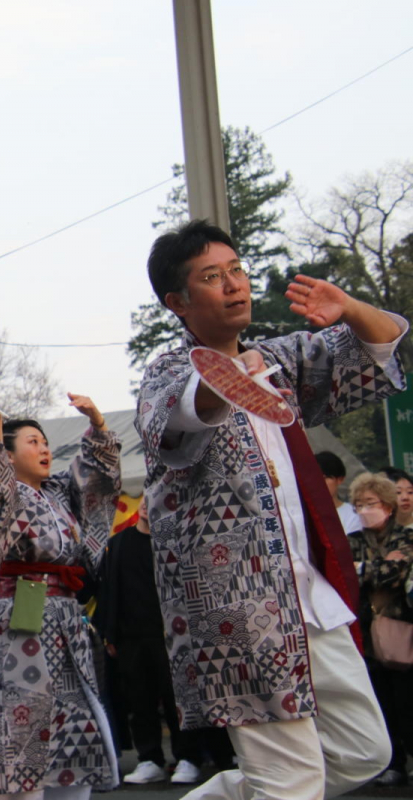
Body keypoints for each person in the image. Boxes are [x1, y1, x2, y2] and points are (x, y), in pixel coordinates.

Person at [135, 219, 404, 799]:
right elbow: (180, 417)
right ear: (177, 302)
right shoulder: (167, 372)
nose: (235, 284)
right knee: (293, 781)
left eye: (237, 270)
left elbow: (382, 348)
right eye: (213, 277)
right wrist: (226, 379)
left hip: (310, 594)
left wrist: (351, 308)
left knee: (363, 752)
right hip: (239, 608)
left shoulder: (278, 360)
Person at [0, 395, 121, 799]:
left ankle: (70, 787)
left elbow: (96, 480)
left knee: (74, 714)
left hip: (66, 615)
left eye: (46, 442)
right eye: (32, 442)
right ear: (8, 454)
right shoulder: (3, 491)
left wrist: (98, 425)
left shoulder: (58, 493)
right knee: (21, 717)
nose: (44, 449)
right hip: (21, 610)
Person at [96, 494, 202, 785]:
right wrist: (109, 632)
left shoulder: (174, 541)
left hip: (172, 635)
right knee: (139, 701)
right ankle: (149, 759)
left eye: (155, 498)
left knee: (177, 699)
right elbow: (109, 591)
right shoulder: (118, 543)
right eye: (145, 497)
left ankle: (187, 757)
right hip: (130, 635)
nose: (147, 503)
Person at [347, 472, 413, 787]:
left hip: (401, 630)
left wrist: (363, 569)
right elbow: (345, 576)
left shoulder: (404, 537)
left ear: (387, 505)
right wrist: (377, 567)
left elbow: (395, 574)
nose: (365, 510)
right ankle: (393, 763)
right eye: (359, 504)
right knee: (380, 702)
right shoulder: (353, 540)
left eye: (370, 503)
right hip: (366, 634)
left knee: (407, 700)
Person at [317, 451, 361, 535]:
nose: (319, 483)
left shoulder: (354, 514)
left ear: (340, 479)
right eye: (316, 478)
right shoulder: (301, 514)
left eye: (325, 478)